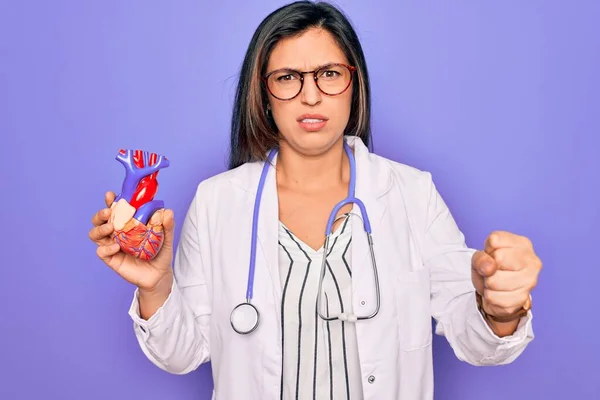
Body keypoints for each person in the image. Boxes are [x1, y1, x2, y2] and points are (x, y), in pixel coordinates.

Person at [88, 1, 542, 399]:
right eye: (287, 77)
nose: (310, 95)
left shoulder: (411, 192)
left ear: (354, 84)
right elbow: (181, 354)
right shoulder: (218, 201)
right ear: (263, 95)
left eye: (328, 74)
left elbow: (476, 338)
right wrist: (155, 287)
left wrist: (499, 308)